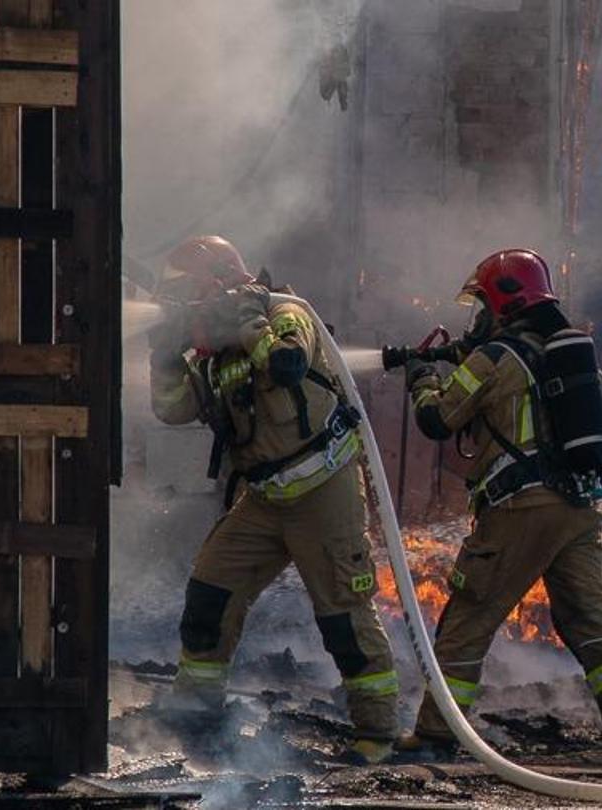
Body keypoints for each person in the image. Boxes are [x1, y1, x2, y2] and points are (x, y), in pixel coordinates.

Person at [148, 235, 400, 764]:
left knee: (343, 617)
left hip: (322, 491)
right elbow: (173, 410)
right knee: (209, 595)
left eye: (190, 295)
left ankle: (376, 733)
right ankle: (195, 710)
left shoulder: (285, 312)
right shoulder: (213, 360)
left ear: (217, 283)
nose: (185, 308)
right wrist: (167, 357)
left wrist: (249, 324)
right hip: (264, 499)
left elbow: (287, 363)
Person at [395, 248, 602, 769]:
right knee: (588, 616)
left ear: (502, 304)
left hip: (521, 507)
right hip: (579, 507)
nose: (477, 319)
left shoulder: (495, 358)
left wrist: (422, 375)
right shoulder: (557, 351)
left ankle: (437, 733)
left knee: (470, 614)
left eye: (481, 307)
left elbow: (438, 420)